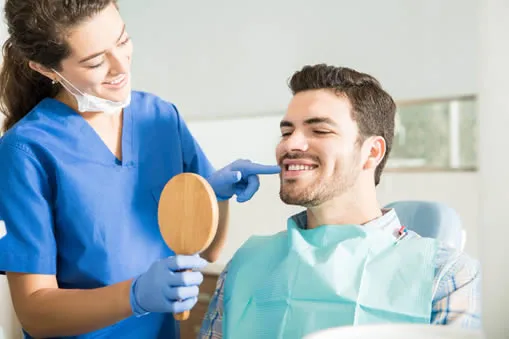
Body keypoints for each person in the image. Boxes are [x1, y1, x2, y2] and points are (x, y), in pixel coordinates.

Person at [0, 1, 280, 338]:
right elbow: (35, 313)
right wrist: (134, 296)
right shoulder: (27, 151)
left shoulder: (159, 117)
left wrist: (214, 196)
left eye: (122, 41)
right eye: (95, 61)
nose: (121, 67)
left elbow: (206, 251)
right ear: (46, 69)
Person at [199, 64, 482, 338]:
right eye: (286, 132)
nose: (289, 144)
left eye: (319, 130)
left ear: (372, 152)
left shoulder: (445, 277)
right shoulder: (245, 265)